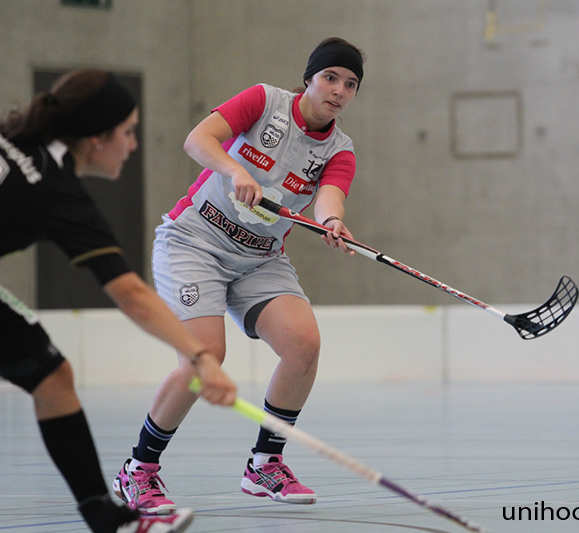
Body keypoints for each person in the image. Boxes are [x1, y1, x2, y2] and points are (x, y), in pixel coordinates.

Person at [113, 37, 365, 514]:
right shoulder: (264, 101)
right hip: (194, 243)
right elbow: (197, 139)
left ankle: (264, 465)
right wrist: (235, 171)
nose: (338, 90)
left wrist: (332, 221)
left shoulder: (340, 150)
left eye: (350, 84)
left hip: (260, 259)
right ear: (309, 78)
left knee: (304, 344)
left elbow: (330, 196)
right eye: (330, 77)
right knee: (204, 357)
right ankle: (138, 470)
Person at [0, 68, 237, 533]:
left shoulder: (17, 142)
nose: (133, 145)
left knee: (52, 377)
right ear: (96, 137)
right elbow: (130, 294)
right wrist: (200, 358)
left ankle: (107, 518)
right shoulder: (55, 190)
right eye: (127, 132)